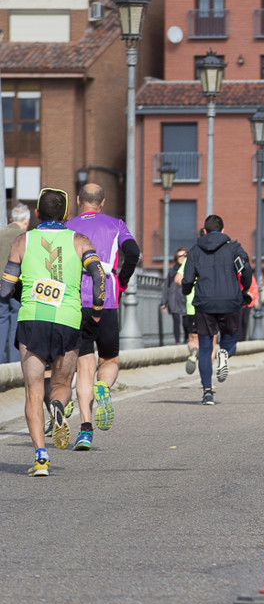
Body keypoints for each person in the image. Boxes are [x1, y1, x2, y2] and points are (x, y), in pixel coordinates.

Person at [0, 188, 107, 475]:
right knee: (61, 385)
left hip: (32, 320)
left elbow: (5, 288)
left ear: (36, 214)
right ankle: (58, 407)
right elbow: (99, 276)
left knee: (33, 391)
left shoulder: (23, 240)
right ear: (66, 215)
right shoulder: (80, 240)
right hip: (67, 321)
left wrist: (23, 293)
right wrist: (96, 313)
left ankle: (40, 457)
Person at [66, 183, 141, 449]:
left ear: (78, 201)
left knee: (84, 365)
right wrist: (122, 280)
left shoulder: (68, 227)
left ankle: (85, 429)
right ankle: (104, 388)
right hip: (106, 298)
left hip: (75, 301)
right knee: (109, 358)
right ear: (103, 202)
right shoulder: (116, 224)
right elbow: (133, 252)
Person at [180, 214, 253, 406]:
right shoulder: (233, 248)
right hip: (230, 301)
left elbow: (187, 279)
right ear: (222, 230)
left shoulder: (195, 251)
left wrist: (186, 290)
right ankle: (225, 354)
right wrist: (244, 288)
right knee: (230, 340)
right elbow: (245, 270)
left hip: (204, 303)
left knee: (205, 348)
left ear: (204, 231)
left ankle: (207, 393)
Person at [0, 203, 31, 362]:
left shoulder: (1, 233)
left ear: (11, 219)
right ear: (26, 220)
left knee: (1, 320)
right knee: (15, 321)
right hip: (17, 284)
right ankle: (15, 360)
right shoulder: (26, 237)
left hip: (0, 283)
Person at [161, 249, 188, 345]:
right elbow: (166, 286)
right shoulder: (172, 270)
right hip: (174, 298)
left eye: (184, 256)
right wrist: (164, 302)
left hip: (186, 297)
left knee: (186, 321)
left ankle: (186, 339)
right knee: (176, 320)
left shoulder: (189, 268)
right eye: (179, 256)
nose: (182, 258)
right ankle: (177, 341)